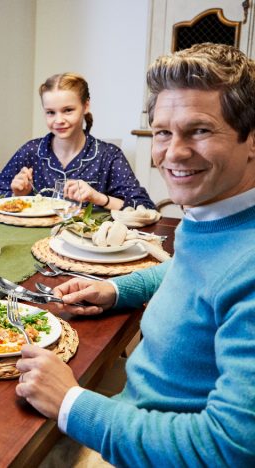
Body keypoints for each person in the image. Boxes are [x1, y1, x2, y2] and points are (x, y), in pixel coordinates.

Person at [15, 43, 255, 466]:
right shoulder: (217, 217)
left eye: (199, 130)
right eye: (163, 132)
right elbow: (191, 273)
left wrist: (71, 403)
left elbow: (225, 451)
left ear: (251, 138)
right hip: (133, 408)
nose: (173, 153)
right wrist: (113, 289)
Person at [0, 73, 155, 210]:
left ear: (85, 106)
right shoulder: (31, 150)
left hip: (86, 247)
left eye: (68, 110)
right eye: (50, 112)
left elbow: (145, 208)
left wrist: (98, 198)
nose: (58, 120)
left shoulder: (109, 156)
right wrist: (18, 196)